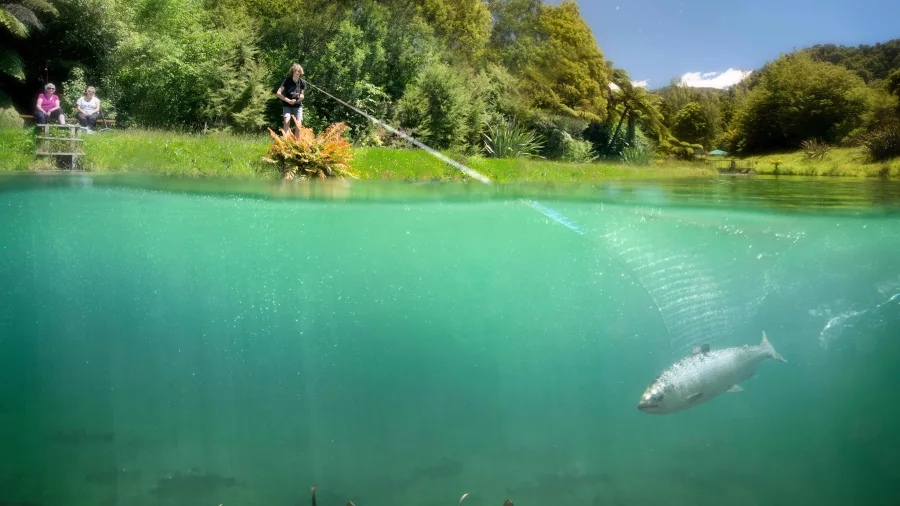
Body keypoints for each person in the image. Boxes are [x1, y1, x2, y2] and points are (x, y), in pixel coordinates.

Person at [276, 63, 307, 136]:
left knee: (298, 125)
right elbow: (278, 93)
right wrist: (288, 100)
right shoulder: (287, 81)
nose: (297, 73)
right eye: (295, 71)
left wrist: (301, 96)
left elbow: (302, 94)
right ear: (292, 72)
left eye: (299, 71)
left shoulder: (302, 82)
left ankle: (297, 144)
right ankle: (285, 144)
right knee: (286, 122)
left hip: (298, 106)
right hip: (287, 106)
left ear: (300, 73)